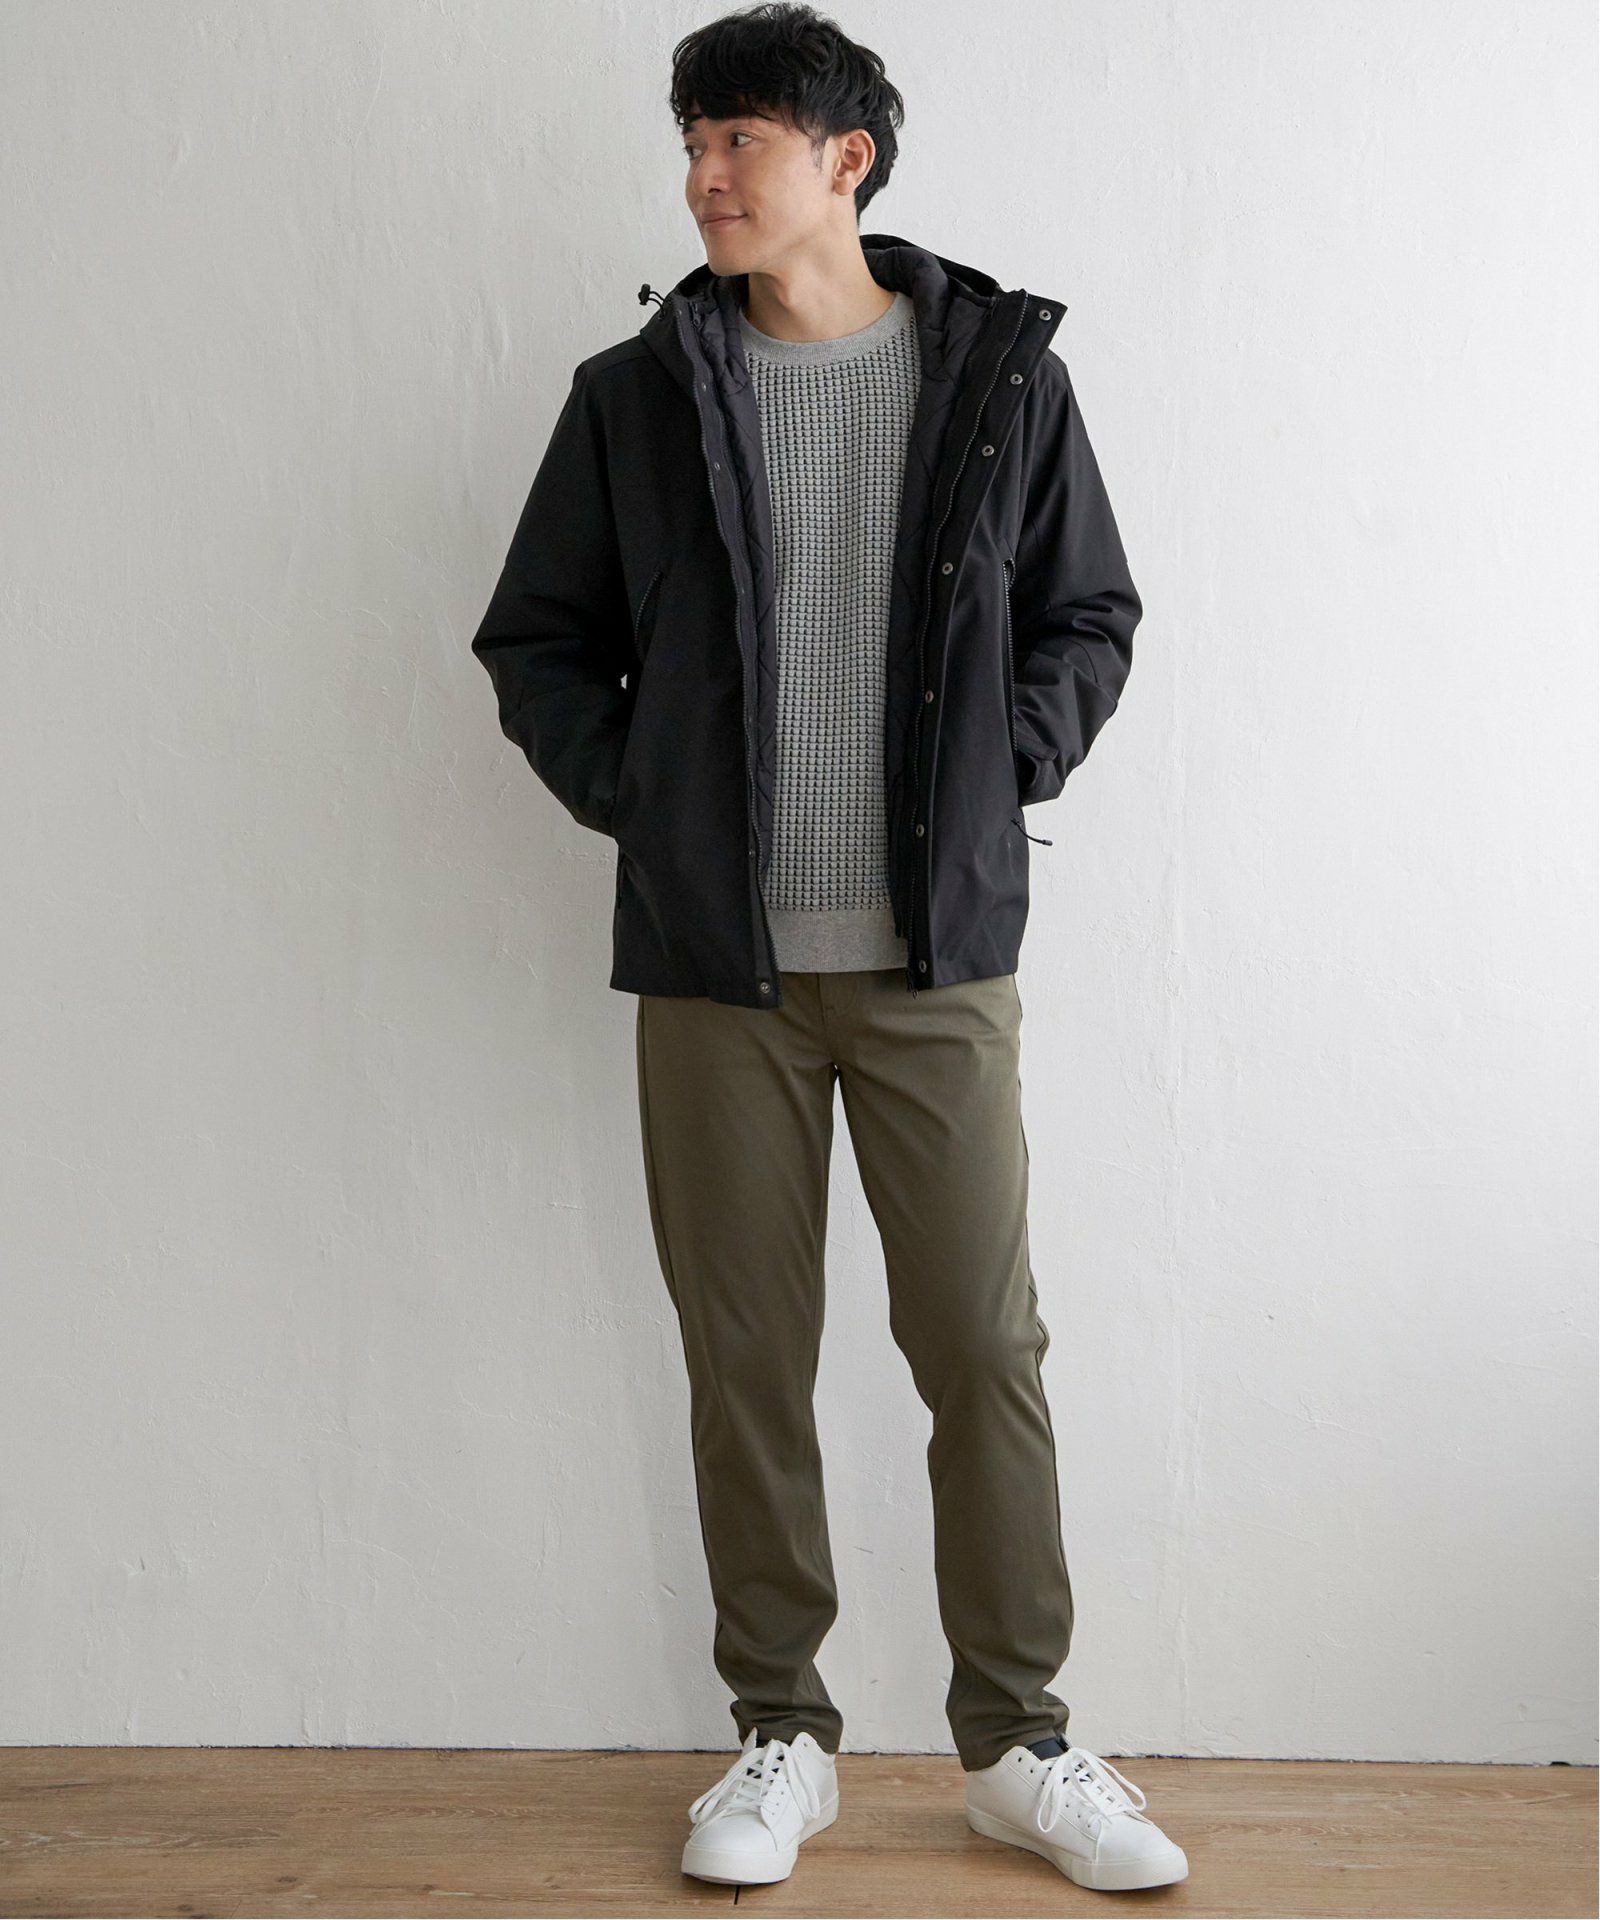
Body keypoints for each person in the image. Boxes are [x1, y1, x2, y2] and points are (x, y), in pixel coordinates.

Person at [469, 0, 1186, 1895]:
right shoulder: (635, 397)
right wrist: (655, 804)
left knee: (984, 1347)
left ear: (843, 158)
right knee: (747, 1359)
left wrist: (998, 769)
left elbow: (1090, 613)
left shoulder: (998, 377)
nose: (704, 177)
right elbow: (537, 640)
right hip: (722, 973)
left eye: (739, 141)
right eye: (692, 143)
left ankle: (1020, 1744)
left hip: (937, 962)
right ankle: (781, 1728)